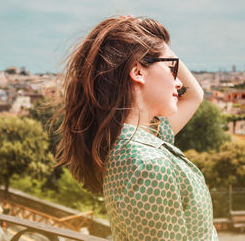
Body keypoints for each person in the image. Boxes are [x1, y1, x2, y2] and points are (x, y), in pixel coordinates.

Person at [55, 15, 218, 240]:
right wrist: (149, 42)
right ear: (138, 72)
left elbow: (193, 95)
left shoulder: (133, 143)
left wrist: (150, 41)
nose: (178, 82)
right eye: (172, 68)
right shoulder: (148, 164)